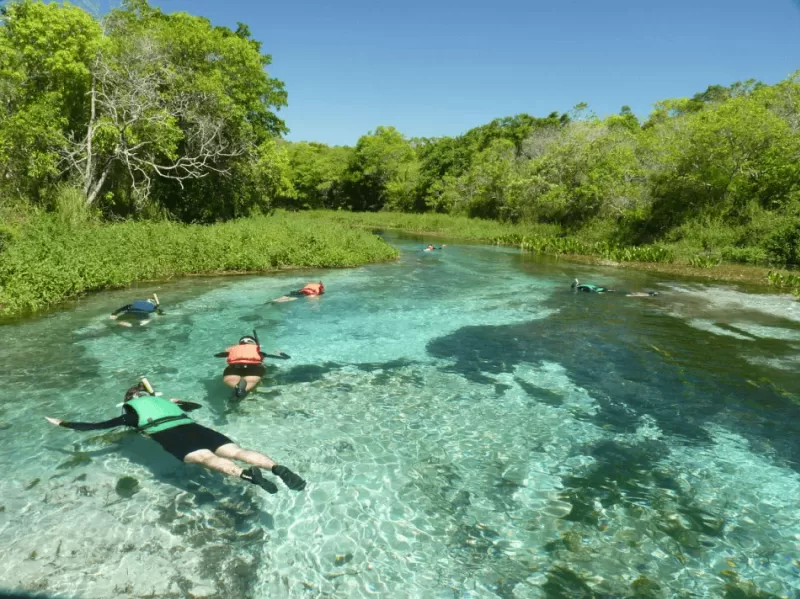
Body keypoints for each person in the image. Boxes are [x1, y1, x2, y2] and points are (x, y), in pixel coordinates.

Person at [44, 379, 306, 494]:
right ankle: (275, 467)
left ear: (129, 402)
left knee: (205, 458)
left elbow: (94, 426)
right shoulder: (171, 403)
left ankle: (247, 476)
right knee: (237, 452)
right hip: (196, 428)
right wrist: (182, 402)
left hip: (172, 436)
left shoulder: (130, 415)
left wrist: (64, 423)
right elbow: (196, 408)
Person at [214, 331, 290, 399]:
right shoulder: (258, 351)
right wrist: (281, 353)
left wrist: (227, 351)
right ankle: (242, 390)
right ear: (254, 343)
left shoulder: (234, 349)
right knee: (251, 380)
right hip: (253, 368)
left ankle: (236, 387)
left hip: (235, 367)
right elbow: (286, 358)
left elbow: (217, 355)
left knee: (231, 379)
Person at [570, 279, 659, 297]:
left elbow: (590, 291)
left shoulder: (580, 288)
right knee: (623, 293)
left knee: (623, 294)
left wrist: (599, 293)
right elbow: (593, 288)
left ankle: (648, 294)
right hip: (602, 289)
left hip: (600, 291)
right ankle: (649, 294)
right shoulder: (584, 285)